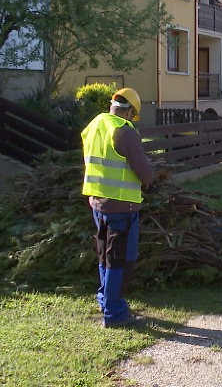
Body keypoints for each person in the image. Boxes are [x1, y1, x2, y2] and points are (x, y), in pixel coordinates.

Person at [81, 87, 155, 328]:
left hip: (97, 202)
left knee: (105, 255)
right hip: (122, 207)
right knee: (119, 259)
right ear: (131, 111)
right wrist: (151, 175)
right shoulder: (124, 131)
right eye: (134, 115)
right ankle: (114, 313)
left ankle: (104, 300)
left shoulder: (95, 124)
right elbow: (144, 172)